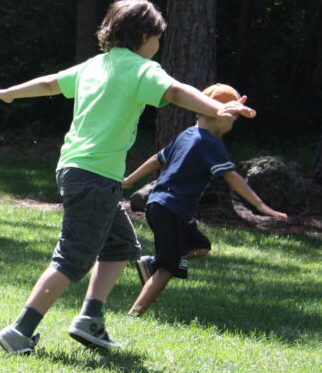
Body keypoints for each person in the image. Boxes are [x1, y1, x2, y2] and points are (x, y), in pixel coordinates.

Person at [0, 0, 255, 355]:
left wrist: (9, 93)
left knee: (120, 246)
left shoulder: (95, 65)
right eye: (158, 37)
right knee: (72, 257)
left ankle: (90, 320)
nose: (158, 45)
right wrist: (219, 106)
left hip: (76, 169)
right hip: (96, 176)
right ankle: (21, 330)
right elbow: (176, 91)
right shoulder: (142, 70)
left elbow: (50, 83)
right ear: (143, 37)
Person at [123, 83, 288, 317]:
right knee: (168, 268)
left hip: (162, 205)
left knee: (199, 247)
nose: (232, 125)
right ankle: (134, 315)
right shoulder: (210, 143)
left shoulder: (187, 135)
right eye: (233, 119)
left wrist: (130, 180)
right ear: (222, 117)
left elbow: (157, 159)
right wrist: (260, 205)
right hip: (172, 208)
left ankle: (151, 264)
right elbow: (231, 175)